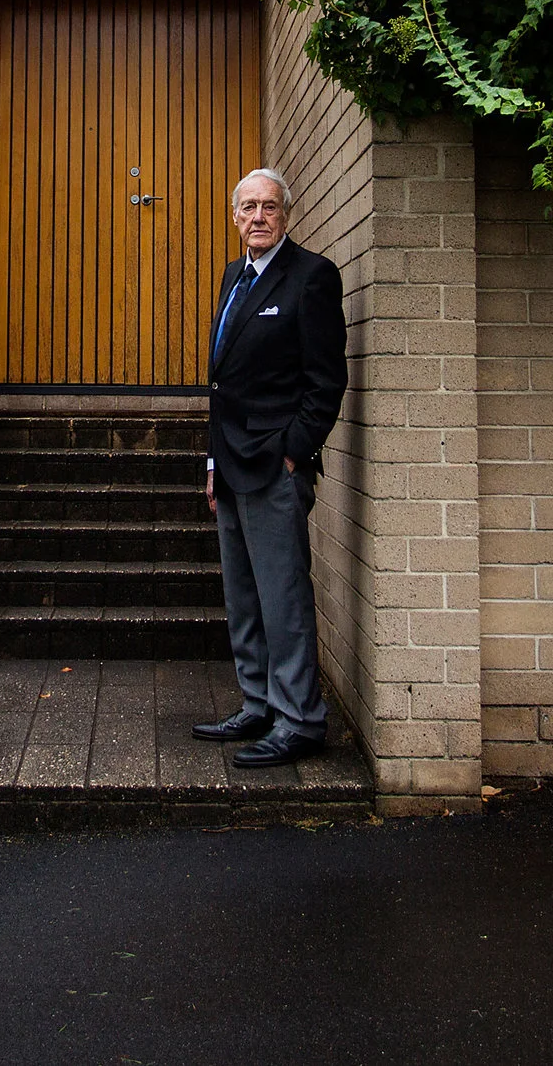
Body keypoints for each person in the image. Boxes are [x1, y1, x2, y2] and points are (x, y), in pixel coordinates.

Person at [193, 166, 347, 767]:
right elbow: (222, 383)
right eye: (248, 207)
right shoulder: (235, 276)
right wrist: (212, 461)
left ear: (286, 214)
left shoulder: (311, 277)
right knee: (245, 594)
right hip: (229, 465)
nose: (258, 217)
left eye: (269, 207)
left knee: (282, 596)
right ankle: (258, 703)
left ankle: (300, 719)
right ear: (234, 217)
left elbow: (325, 381)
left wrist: (294, 452)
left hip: (274, 466)